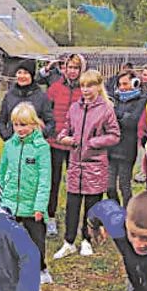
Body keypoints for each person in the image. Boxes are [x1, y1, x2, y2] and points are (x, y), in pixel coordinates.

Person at [54, 70, 120, 259]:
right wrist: (64, 138)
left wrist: (94, 142)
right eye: (83, 85)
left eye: (90, 85)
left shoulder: (106, 109)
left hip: (95, 164)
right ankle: (68, 241)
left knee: (92, 206)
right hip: (75, 163)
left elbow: (115, 135)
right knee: (72, 204)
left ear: (98, 86)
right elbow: (66, 128)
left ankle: (87, 240)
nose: (85, 89)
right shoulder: (75, 107)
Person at [0, 102, 52, 284]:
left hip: (32, 204)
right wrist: (0, 199)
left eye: (24, 125)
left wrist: (40, 206)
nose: (20, 129)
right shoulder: (9, 146)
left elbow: (45, 179)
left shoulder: (41, 147)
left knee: (36, 240)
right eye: (16, 125)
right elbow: (2, 172)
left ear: (34, 124)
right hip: (10, 202)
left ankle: (41, 269)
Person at [45, 53, 86, 235]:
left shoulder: (85, 90)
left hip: (75, 145)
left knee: (75, 183)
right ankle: (51, 217)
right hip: (55, 142)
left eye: (76, 68)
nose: (72, 71)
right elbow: (46, 112)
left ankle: (73, 219)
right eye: (69, 67)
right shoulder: (55, 88)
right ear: (64, 69)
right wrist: (51, 131)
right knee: (53, 181)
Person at [108, 70, 145, 206]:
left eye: (125, 83)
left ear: (135, 83)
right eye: (120, 84)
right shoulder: (115, 99)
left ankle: (128, 213)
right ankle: (117, 211)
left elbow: (132, 122)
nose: (122, 87)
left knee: (124, 186)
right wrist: (121, 116)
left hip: (127, 149)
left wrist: (116, 114)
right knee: (109, 187)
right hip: (111, 149)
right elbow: (109, 121)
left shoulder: (141, 100)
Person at [0, 59, 55, 141]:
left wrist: (40, 136)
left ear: (31, 75)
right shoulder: (9, 96)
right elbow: (1, 121)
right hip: (14, 143)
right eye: (19, 72)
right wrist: (7, 137)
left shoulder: (41, 97)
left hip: (34, 145)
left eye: (25, 73)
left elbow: (50, 122)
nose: (22, 76)